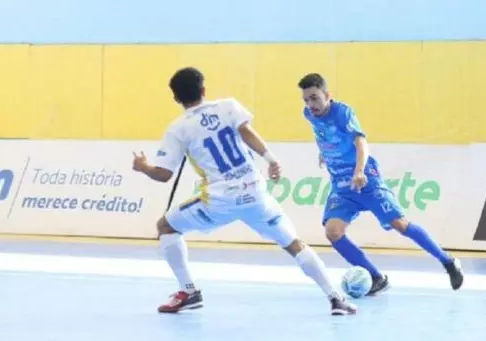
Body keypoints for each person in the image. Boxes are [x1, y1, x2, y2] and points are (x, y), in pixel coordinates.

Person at [132, 67, 357, 316]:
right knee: (294, 244)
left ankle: (189, 291)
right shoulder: (228, 106)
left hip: (218, 202)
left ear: (176, 98)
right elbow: (246, 132)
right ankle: (335, 298)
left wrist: (143, 166)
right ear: (204, 90)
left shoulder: (178, 129)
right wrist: (271, 159)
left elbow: (163, 174)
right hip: (257, 195)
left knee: (165, 226)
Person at [297, 73, 464, 295]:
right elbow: (324, 134)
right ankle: (377, 277)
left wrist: (359, 171)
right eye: (306, 100)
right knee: (333, 232)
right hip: (341, 186)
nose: (311, 104)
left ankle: (448, 262)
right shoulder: (309, 114)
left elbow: (360, 141)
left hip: (366, 179)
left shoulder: (343, 113)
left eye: (315, 98)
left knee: (399, 224)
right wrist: (324, 151)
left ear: (328, 95)